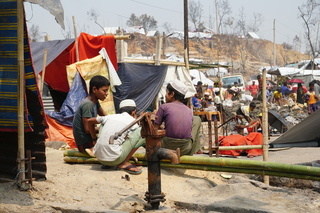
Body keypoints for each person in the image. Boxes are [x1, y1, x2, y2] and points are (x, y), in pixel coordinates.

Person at [89, 99, 145, 175]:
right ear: (134, 111)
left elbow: (89, 121)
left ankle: (107, 159)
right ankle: (124, 163)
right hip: (115, 160)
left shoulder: (110, 117)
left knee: (103, 123)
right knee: (142, 132)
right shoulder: (133, 122)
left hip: (99, 158)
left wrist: (94, 139)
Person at [154, 80, 202, 156]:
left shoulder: (164, 107)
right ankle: (191, 154)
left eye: (166, 93)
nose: (165, 96)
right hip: (186, 147)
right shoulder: (188, 110)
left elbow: (154, 129)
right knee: (197, 120)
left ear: (172, 94)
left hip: (168, 146)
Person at [73, 75, 110, 154]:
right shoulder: (88, 104)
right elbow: (87, 129)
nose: (106, 94)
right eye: (104, 91)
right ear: (94, 89)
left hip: (91, 140)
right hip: (85, 144)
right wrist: (104, 129)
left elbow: (106, 117)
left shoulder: (95, 101)